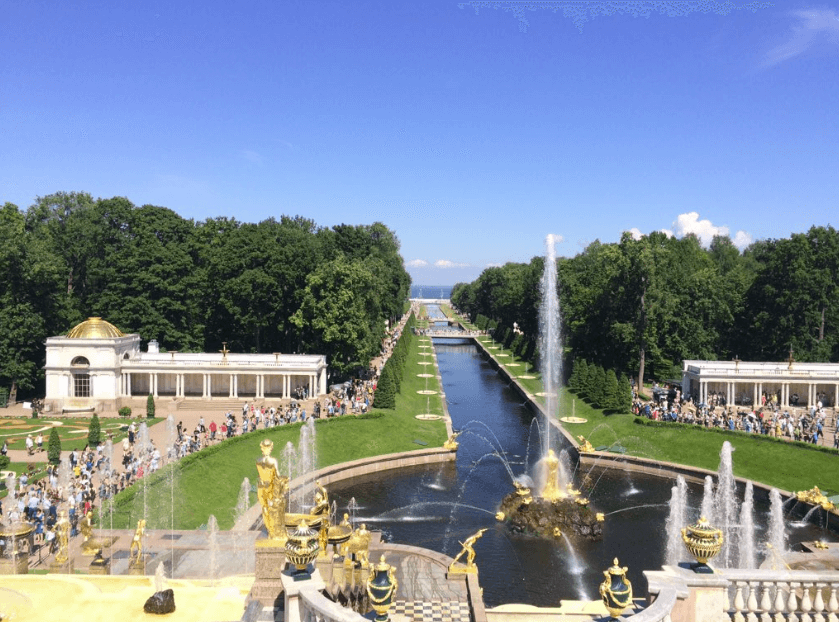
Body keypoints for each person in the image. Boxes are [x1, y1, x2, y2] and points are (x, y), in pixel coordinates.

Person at [256, 439, 289, 541]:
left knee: (265, 509)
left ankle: (270, 530)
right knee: (274, 509)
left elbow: (260, 474)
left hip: (261, 487)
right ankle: (275, 532)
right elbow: (277, 475)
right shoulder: (273, 461)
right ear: (270, 448)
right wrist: (285, 480)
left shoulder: (258, 460)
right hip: (270, 488)